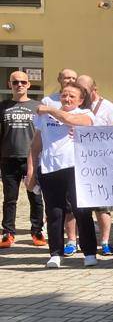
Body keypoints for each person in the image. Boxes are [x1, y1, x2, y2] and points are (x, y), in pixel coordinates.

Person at [25, 81, 97, 268]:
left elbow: (71, 121)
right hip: (49, 168)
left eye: (72, 96)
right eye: (64, 95)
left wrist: (50, 109)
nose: (67, 98)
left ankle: (89, 252)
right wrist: (31, 171)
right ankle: (55, 253)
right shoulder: (45, 116)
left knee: (81, 211)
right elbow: (36, 144)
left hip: (75, 168)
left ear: (80, 100)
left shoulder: (86, 114)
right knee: (54, 213)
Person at [74, 75, 113, 256]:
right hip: (79, 163)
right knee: (78, 207)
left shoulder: (108, 107)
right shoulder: (75, 107)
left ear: (94, 89)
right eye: (79, 89)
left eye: (85, 90)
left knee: (103, 206)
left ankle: (105, 242)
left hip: (102, 163)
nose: (82, 93)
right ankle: (74, 241)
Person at [0, 70, 45, 248]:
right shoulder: (2, 106)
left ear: (29, 85)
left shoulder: (38, 106)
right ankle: (8, 233)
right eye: (15, 82)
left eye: (23, 82)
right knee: (9, 198)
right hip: (8, 158)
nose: (19, 85)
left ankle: (37, 231)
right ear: (9, 85)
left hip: (31, 159)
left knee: (35, 197)